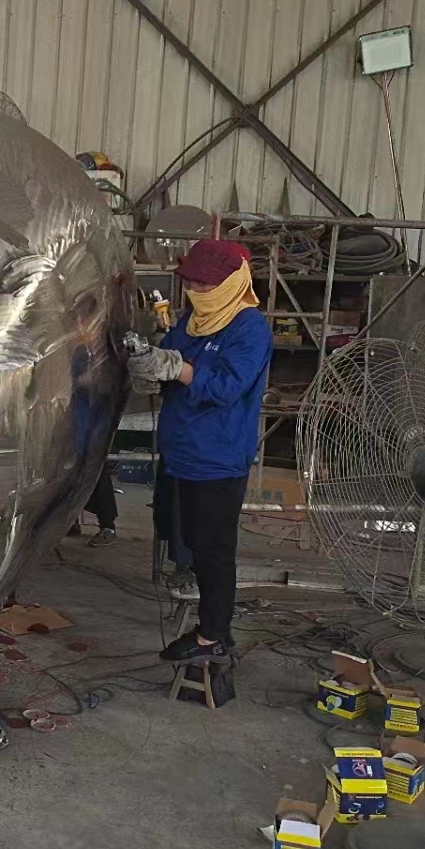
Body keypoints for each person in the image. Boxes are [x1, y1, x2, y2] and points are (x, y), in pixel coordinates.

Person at [127, 239, 271, 665]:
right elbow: (171, 364)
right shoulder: (193, 321)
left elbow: (226, 387)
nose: (193, 291)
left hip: (217, 458)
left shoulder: (248, 328)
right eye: (189, 283)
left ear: (229, 284)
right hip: (182, 451)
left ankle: (212, 636)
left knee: (213, 550)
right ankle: (213, 623)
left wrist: (178, 368)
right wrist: (151, 371)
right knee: (190, 542)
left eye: (202, 284)